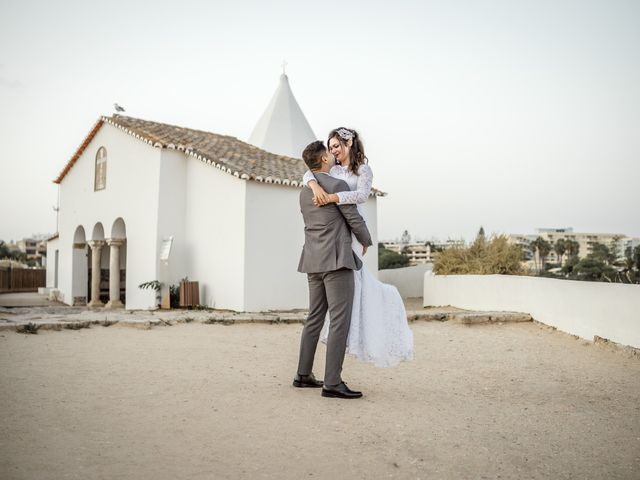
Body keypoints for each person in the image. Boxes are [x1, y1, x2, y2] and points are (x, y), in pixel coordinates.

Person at [302, 128, 414, 368]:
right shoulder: (331, 173)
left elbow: (362, 196)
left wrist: (333, 198)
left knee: (353, 286)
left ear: (350, 143)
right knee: (345, 297)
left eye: (337, 145)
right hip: (340, 235)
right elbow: (308, 172)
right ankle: (343, 346)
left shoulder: (363, 170)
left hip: (346, 232)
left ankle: (349, 333)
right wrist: (315, 186)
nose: (333, 150)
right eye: (330, 147)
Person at [294, 140, 372, 399]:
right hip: (337, 261)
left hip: (313, 261)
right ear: (324, 159)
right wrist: (367, 239)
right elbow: (353, 218)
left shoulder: (305, 192)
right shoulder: (337, 186)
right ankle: (332, 382)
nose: (332, 154)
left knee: (314, 317)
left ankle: (303, 375)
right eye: (329, 152)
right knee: (340, 320)